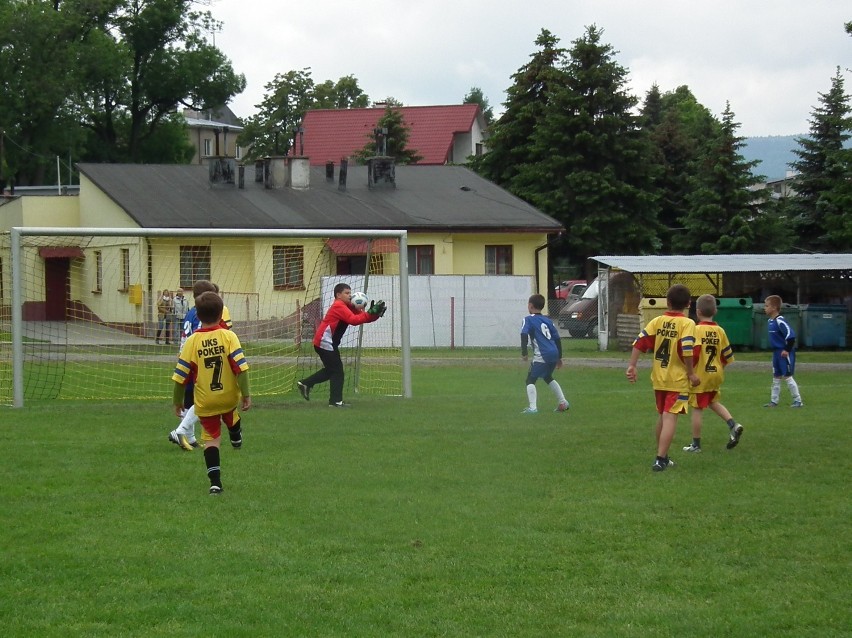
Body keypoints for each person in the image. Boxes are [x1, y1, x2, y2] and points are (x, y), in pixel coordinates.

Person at [172, 291, 250, 495]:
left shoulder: (192, 342)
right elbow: (240, 368)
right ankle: (235, 434)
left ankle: (215, 483)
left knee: (211, 440)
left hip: (205, 401)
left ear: (197, 315)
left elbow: (181, 376)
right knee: (232, 416)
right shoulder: (229, 336)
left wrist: (177, 401)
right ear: (221, 315)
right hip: (228, 396)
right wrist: (247, 395)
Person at [626, 284, 699, 472]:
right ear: (688, 304)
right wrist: (691, 373)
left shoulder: (657, 321)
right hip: (677, 379)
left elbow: (640, 342)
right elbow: (687, 349)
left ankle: (664, 457)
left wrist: (632, 365)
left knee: (663, 416)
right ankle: (659, 459)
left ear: (667, 302)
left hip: (659, 377)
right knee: (669, 417)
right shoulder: (688, 323)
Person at [168, 280, 234, 450]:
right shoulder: (204, 315)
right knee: (207, 399)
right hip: (199, 362)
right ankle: (180, 431)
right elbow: (211, 334)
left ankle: (189, 439)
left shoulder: (190, 313)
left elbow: (186, 337)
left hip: (185, 359)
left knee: (191, 401)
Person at [297, 283, 386, 407]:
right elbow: (354, 320)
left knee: (332, 370)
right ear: (338, 295)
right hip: (324, 342)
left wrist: (374, 315)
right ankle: (335, 402)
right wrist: (370, 314)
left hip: (326, 342)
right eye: (347, 293)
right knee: (337, 371)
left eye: (350, 293)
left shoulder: (347, 306)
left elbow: (361, 317)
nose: (350, 296)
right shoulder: (339, 306)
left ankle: (306, 384)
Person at [683, 294, 744, 453]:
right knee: (712, 401)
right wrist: (718, 368)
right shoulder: (720, 331)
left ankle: (696, 444)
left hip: (700, 375)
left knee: (697, 408)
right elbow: (727, 356)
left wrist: (689, 371)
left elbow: (694, 353)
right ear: (715, 311)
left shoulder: (696, 330)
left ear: (697, 312)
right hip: (716, 373)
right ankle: (733, 425)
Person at [520, 293, 569, 414]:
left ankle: (533, 408)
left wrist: (524, 352)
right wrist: (559, 357)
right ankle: (563, 402)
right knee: (547, 377)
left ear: (530, 305)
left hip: (542, 354)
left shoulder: (528, 319)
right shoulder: (548, 320)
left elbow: (523, 334)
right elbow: (557, 338)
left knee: (530, 380)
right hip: (553, 352)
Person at [763, 294, 803, 407]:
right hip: (776, 352)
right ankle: (774, 401)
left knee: (787, 375)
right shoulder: (770, 321)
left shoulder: (780, 321)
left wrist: (786, 350)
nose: (764, 308)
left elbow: (791, 336)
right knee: (776, 376)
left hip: (784, 352)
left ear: (774, 308)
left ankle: (798, 400)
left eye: (766, 306)